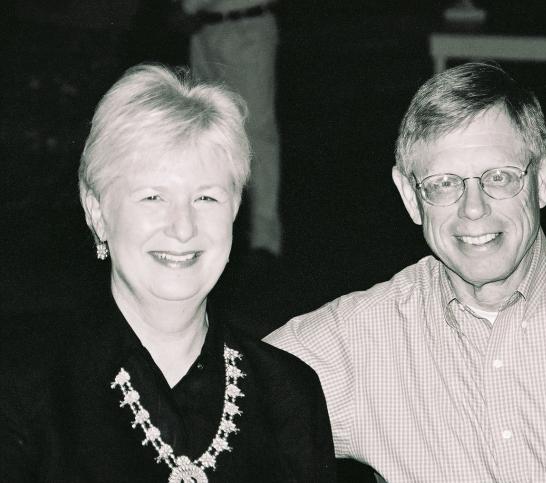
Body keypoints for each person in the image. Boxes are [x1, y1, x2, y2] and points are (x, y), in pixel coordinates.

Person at [265, 62, 546, 482]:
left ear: (543, 178)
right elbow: (212, 401)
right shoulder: (362, 337)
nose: (473, 208)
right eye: (443, 184)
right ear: (409, 196)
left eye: (499, 177)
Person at [0, 64, 335, 482]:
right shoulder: (21, 385)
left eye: (207, 198)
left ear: (234, 210)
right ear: (97, 212)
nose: (183, 227)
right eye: (153, 196)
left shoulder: (288, 392)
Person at [179, 0, 283, 260]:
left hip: (245, 28)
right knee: (208, 129)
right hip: (204, 30)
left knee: (256, 132)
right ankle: (213, 229)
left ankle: (265, 240)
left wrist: (186, 8)